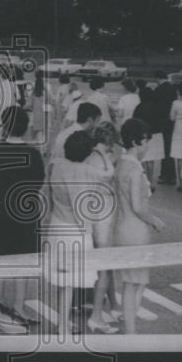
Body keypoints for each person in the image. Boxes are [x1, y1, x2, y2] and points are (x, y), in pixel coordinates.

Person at [44, 131, 113, 335]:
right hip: (75, 230)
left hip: (57, 224)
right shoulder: (84, 171)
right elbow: (108, 175)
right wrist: (104, 156)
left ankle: (62, 320)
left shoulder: (55, 165)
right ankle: (64, 326)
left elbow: (46, 192)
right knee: (70, 281)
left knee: (62, 280)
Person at [0, 107, 46, 329]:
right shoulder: (34, 154)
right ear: (26, 126)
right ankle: (18, 306)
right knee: (23, 261)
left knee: (0, 258)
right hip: (25, 214)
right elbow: (38, 184)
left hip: (0, 212)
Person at [112, 119, 165, 334]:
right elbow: (137, 206)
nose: (147, 147)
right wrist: (155, 220)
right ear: (135, 142)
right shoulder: (134, 170)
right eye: (145, 142)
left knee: (133, 281)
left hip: (122, 227)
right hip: (136, 230)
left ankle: (129, 324)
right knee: (136, 282)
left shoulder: (120, 164)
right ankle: (131, 332)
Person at [87, 120, 121, 333]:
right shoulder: (102, 161)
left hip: (91, 213)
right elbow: (108, 177)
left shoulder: (89, 156)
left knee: (102, 265)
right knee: (104, 265)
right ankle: (97, 315)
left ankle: (111, 306)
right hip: (103, 215)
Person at [132, 86, 165, 188]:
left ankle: (147, 181)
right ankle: (151, 182)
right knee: (154, 161)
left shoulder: (139, 107)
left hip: (145, 135)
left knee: (146, 160)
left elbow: (135, 122)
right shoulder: (158, 106)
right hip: (157, 135)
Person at [152, 70, 178, 185]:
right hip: (172, 123)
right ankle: (172, 174)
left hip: (161, 122)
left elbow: (155, 108)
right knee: (170, 148)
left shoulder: (158, 90)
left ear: (157, 78)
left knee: (164, 149)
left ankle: (165, 174)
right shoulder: (173, 89)